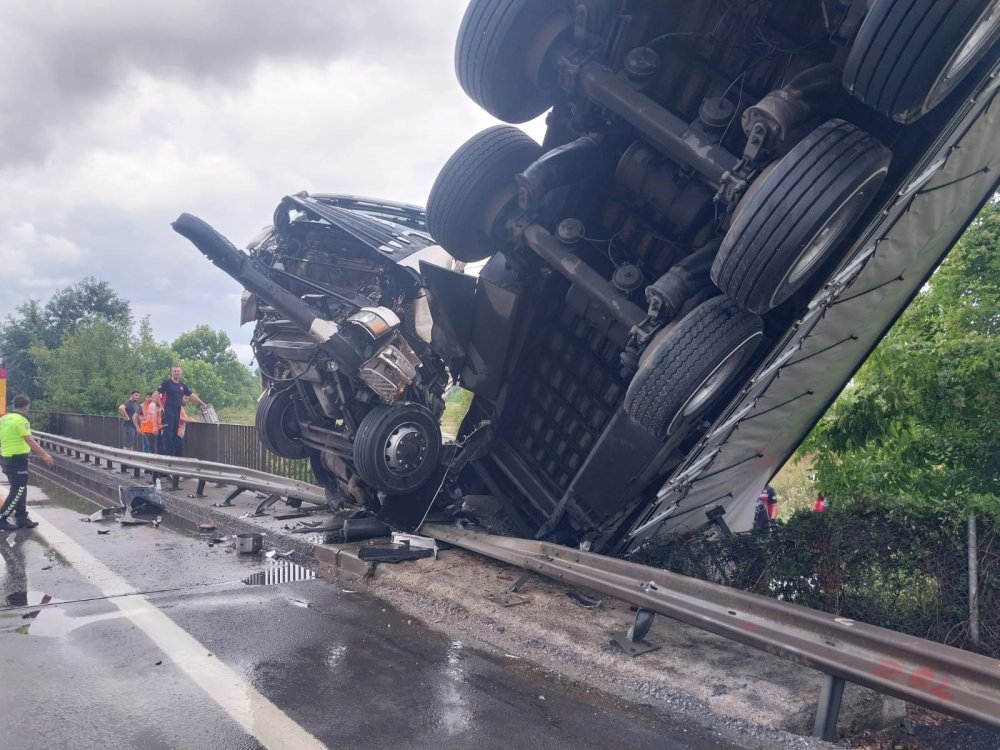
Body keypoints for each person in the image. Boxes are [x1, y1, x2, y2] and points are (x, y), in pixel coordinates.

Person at [0, 394, 55, 531]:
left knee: (20, 488)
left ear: (14, 405)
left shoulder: (4, 418)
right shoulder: (21, 420)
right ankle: (2, 517)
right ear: (26, 406)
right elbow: (29, 440)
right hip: (17, 459)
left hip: (6, 457)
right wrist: (44, 455)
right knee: (18, 489)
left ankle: (22, 518)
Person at [157, 365, 208, 457]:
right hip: (168, 414)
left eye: (178, 371)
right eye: (175, 371)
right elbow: (156, 394)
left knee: (173, 436)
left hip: (176, 414)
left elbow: (191, 395)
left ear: (181, 373)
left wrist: (202, 403)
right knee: (167, 436)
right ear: (171, 372)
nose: (176, 373)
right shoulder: (167, 383)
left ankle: (171, 460)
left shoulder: (182, 385)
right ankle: (167, 460)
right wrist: (161, 406)